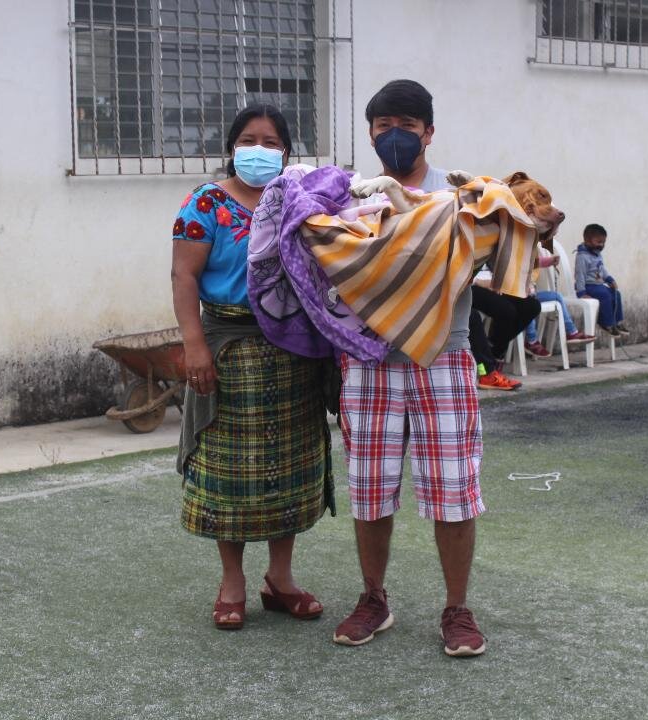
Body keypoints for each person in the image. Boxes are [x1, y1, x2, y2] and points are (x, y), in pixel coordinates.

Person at [333, 79, 487, 657]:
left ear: (429, 132)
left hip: (442, 354)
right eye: (383, 126)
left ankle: (457, 609)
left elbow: (501, 242)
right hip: (369, 358)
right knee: (369, 486)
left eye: (406, 125)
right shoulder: (350, 200)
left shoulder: (462, 197)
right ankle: (374, 598)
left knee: (454, 487)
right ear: (370, 132)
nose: (394, 136)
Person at [171, 104, 333, 631]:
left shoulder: (299, 201)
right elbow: (183, 276)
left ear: (286, 152)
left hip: (294, 349)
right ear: (231, 147)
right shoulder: (206, 203)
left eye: (270, 141)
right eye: (247, 139)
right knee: (229, 474)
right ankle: (232, 583)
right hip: (228, 349)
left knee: (289, 468)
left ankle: (280, 580)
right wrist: (194, 345)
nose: (258, 149)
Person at [523, 246, 594, 357]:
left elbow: (536, 262)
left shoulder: (531, 251)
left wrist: (550, 261)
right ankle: (531, 341)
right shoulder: (518, 252)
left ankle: (572, 332)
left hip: (533, 294)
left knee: (557, 296)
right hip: (521, 296)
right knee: (530, 304)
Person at [574, 224, 628, 337]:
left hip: (598, 285)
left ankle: (617, 322)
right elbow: (580, 276)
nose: (601, 245)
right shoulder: (582, 256)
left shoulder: (597, 254)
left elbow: (602, 270)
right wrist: (581, 293)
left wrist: (609, 280)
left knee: (616, 294)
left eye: (603, 242)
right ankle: (606, 323)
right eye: (599, 242)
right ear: (587, 240)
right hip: (588, 286)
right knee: (605, 295)